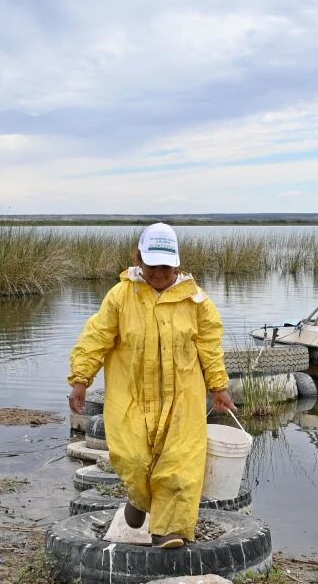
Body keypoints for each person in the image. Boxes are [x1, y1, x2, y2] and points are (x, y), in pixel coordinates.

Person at [68, 222, 236, 548]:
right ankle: (140, 498)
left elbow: (210, 348)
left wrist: (219, 387)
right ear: (138, 259)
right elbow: (97, 337)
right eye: (152, 265)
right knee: (133, 458)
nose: (159, 273)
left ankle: (169, 530)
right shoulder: (121, 296)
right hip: (131, 398)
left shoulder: (197, 303)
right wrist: (81, 379)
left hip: (182, 400)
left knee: (179, 466)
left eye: (166, 266)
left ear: (177, 263)